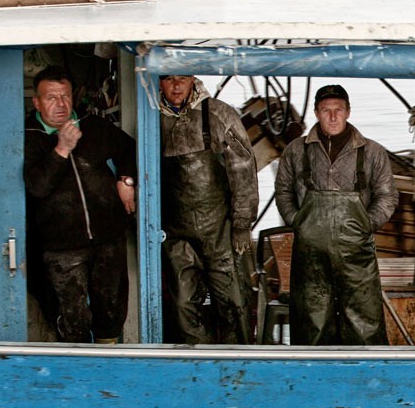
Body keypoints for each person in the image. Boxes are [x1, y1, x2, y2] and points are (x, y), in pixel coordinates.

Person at [274, 84, 399, 346]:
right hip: (310, 252)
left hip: (357, 251)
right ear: (316, 113)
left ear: (348, 112)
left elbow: (387, 197)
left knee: (363, 320)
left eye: (338, 110)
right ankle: (314, 377)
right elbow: (283, 192)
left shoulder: (373, 152)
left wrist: (366, 224)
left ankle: (367, 379)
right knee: (312, 320)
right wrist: (298, 222)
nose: (332, 116)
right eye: (326, 110)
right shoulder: (295, 151)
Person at [24, 66, 136, 343]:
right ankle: (78, 373)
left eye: (65, 96)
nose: (60, 104)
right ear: (37, 102)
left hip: (107, 236)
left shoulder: (93, 126)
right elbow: (37, 187)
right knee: (71, 316)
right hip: (61, 246)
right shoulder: (28, 138)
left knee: (110, 309)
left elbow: (129, 148)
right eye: (51, 98)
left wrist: (126, 180)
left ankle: (108, 369)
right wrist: (61, 149)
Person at [158, 75, 259, 345]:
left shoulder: (218, 114)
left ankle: (238, 369)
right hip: (177, 234)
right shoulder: (151, 119)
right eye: (169, 79)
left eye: (182, 79)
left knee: (234, 303)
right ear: (158, 82)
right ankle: (198, 366)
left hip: (220, 231)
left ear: (193, 80)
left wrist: (241, 224)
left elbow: (244, 171)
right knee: (182, 306)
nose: (176, 86)